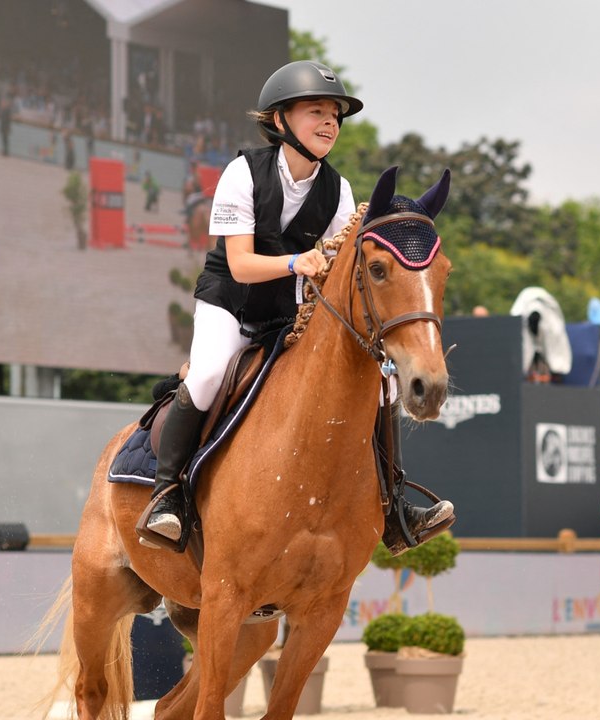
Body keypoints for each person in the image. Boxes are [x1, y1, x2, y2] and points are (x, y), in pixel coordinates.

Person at [138, 60, 455, 552]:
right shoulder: (242, 174)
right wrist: (295, 264)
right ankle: (167, 495)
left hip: (291, 313)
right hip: (231, 306)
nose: (330, 122)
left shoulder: (341, 191)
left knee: (385, 387)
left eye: (335, 114)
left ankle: (395, 506)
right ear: (280, 120)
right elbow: (241, 264)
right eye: (316, 111)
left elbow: (341, 271)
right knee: (205, 374)